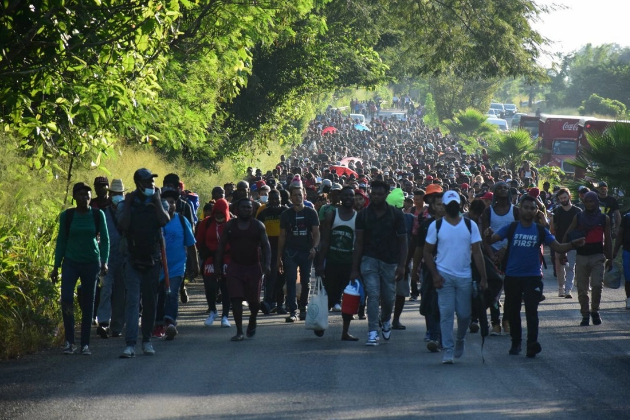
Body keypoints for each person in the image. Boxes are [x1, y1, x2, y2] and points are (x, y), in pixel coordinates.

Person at [487, 195, 585, 358]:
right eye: (526, 207)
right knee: (513, 311)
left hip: (533, 277)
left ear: (536, 211)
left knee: (532, 310)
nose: (529, 210)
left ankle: (532, 343)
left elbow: (559, 247)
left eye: (532, 208)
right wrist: (486, 234)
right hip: (512, 276)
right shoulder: (511, 228)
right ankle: (516, 343)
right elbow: (491, 240)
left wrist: (574, 244)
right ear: (520, 209)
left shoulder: (540, 230)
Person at [423, 191, 487, 364]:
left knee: (465, 315)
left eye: (455, 204)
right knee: (446, 313)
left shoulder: (469, 225)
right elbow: (427, 252)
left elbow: (477, 252)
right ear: (443, 206)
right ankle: (448, 350)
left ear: (459, 205)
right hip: (444, 276)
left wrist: (483, 277)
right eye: (448, 204)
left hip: (465, 276)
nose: (452, 207)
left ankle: (460, 339)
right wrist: (435, 275)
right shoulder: (436, 226)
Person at [52, 182, 109, 355]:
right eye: (81, 194)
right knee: (67, 299)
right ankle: (70, 342)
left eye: (88, 194)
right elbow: (61, 241)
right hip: (70, 262)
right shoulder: (67, 216)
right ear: (75, 197)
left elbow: (105, 240)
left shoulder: (98, 215)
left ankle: (85, 344)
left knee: (88, 303)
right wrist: (55, 266)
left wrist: (104, 261)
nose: (85, 197)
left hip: (91, 263)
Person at [118, 168, 170, 358]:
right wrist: (129, 202)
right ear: (138, 183)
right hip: (132, 260)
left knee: (150, 303)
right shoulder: (127, 204)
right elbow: (122, 226)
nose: (151, 184)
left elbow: (165, 221)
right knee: (132, 303)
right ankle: (130, 344)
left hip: (153, 260)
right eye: (147, 181)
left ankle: (146, 341)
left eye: (152, 181)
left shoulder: (159, 201)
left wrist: (156, 202)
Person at [350, 180, 408, 346]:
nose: (376, 196)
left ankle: (385, 320)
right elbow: (358, 242)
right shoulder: (363, 215)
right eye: (373, 193)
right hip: (369, 260)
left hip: (390, 261)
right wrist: (355, 268)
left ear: (386, 195)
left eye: (380, 194)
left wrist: (402, 265)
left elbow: (403, 241)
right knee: (373, 294)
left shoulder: (396, 215)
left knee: (389, 298)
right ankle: (372, 331)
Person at [215, 198, 271, 341]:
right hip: (235, 267)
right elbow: (221, 246)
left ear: (252, 209)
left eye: (249, 207)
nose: (246, 209)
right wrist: (218, 266)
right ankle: (239, 331)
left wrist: (267, 264)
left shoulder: (258, 226)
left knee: (254, 303)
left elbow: (266, 246)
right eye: (244, 207)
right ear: (237, 209)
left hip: (253, 267)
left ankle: (253, 319)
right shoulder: (230, 226)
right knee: (236, 298)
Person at [564, 191, 613, 326]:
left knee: (597, 285)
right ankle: (585, 314)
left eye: (591, 201)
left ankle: (595, 310)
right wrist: (563, 251)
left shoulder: (604, 218)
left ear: (596, 202)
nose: (589, 204)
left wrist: (611, 257)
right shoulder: (579, 217)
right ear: (584, 202)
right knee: (581, 288)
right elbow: (568, 233)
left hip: (598, 255)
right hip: (582, 256)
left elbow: (608, 238)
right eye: (586, 201)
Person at [317, 186, 358, 340]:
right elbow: (325, 241)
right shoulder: (331, 215)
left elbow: (358, 244)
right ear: (340, 197)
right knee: (330, 296)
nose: (348, 198)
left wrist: (356, 267)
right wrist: (320, 263)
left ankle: (345, 332)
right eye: (346, 195)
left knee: (348, 298)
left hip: (348, 264)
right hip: (333, 262)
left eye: (351, 196)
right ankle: (321, 322)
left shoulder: (357, 217)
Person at [157, 188, 199, 340]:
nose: (169, 204)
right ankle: (158, 324)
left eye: (172, 202)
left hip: (176, 267)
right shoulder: (156, 221)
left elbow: (191, 244)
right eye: (166, 201)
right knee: (159, 295)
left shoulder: (182, 221)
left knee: (172, 293)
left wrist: (195, 264)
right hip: (157, 267)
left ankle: (170, 324)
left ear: (176, 205)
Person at [277, 183, 320, 322]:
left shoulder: (311, 213)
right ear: (291, 197)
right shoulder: (285, 214)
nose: (297, 198)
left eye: (300, 195)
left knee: (306, 281)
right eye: (294, 195)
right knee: (290, 280)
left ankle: (303, 307)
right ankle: (292, 311)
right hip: (290, 252)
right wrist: (279, 257)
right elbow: (282, 236)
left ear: (304, 196)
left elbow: (316, 233)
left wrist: (314, 248)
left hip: (306, 252)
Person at [482, 181, 519, 335]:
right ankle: (495, 322)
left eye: (505, 188)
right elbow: (484, 235)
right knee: (494, 291)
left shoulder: (515, 211)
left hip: (510, 253)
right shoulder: (488, 211)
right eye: (500, 188)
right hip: (492, 253)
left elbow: (517, 232)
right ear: (495, 192)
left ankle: (507, 320)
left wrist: (505, 249)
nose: (503, 190)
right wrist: (491, 255)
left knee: (511, 290)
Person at [95, 179, 126, 339]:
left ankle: (117, 326)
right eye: (114, 194)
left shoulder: (128, 212)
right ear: (110, 194)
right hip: (106, 257)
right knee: (106, 290)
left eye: (120, 194)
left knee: (120, 292)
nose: (117, 196)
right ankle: (104, 323)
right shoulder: (103, 213)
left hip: (124, 258)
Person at [417, 192, 445, 351]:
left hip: (449, 271)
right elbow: (420, 250)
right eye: (438, 204)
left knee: (444, 305)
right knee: (430, 302)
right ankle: (434, 335)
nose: (442, 208)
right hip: (429, 270)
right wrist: (414, 270)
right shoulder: (426, 226)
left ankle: (441, 336)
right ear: (433, 207)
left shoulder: (457, 224)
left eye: (444, 204)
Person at [162, 174, 195, 305]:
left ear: (177, 188)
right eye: (166, 185)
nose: (167, 188)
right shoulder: (159, 204)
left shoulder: (185, 206)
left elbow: (190, 226)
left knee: (178, 274)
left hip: (180, 243)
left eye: (170, 186)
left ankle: (181, 287)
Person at [201, 198, 232, 328]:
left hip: (227, 258)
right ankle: (212, 310)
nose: (219, 214)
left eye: (221, 212)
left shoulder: (231, 223)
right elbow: (200, 240)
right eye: (216, 212)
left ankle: (225, 316)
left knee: (226, 287)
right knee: (210, 286)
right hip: (210, 258)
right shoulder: (206, 223)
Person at [257, 189, 288, 314]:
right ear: (268, 200)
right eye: (272, 199)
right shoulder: (263, 214)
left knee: (282, 277)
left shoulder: (286, 212)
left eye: (277, 198)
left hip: (285, 249)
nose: (275, 201)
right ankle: (268, 301)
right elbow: (257, 232)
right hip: (268, 251)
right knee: (270, 276)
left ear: (281, 198)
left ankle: (280, 304)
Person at [551, 188, 581, 298]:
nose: (563, 200)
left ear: (569, 197)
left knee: (571, 267)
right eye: (561, 198)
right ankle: (561, 288)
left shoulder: (577, 211)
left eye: (565, 197)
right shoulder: (557, 211)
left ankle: (568, 290)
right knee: (559, 266)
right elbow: (553, 228)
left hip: (573, 243)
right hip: (559, 243)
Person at [613, 209, 630, 309]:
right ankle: (629, 299)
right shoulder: (627, 217)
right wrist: (615, 250)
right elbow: (620, 234)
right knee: (628, 277)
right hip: (628, 251)